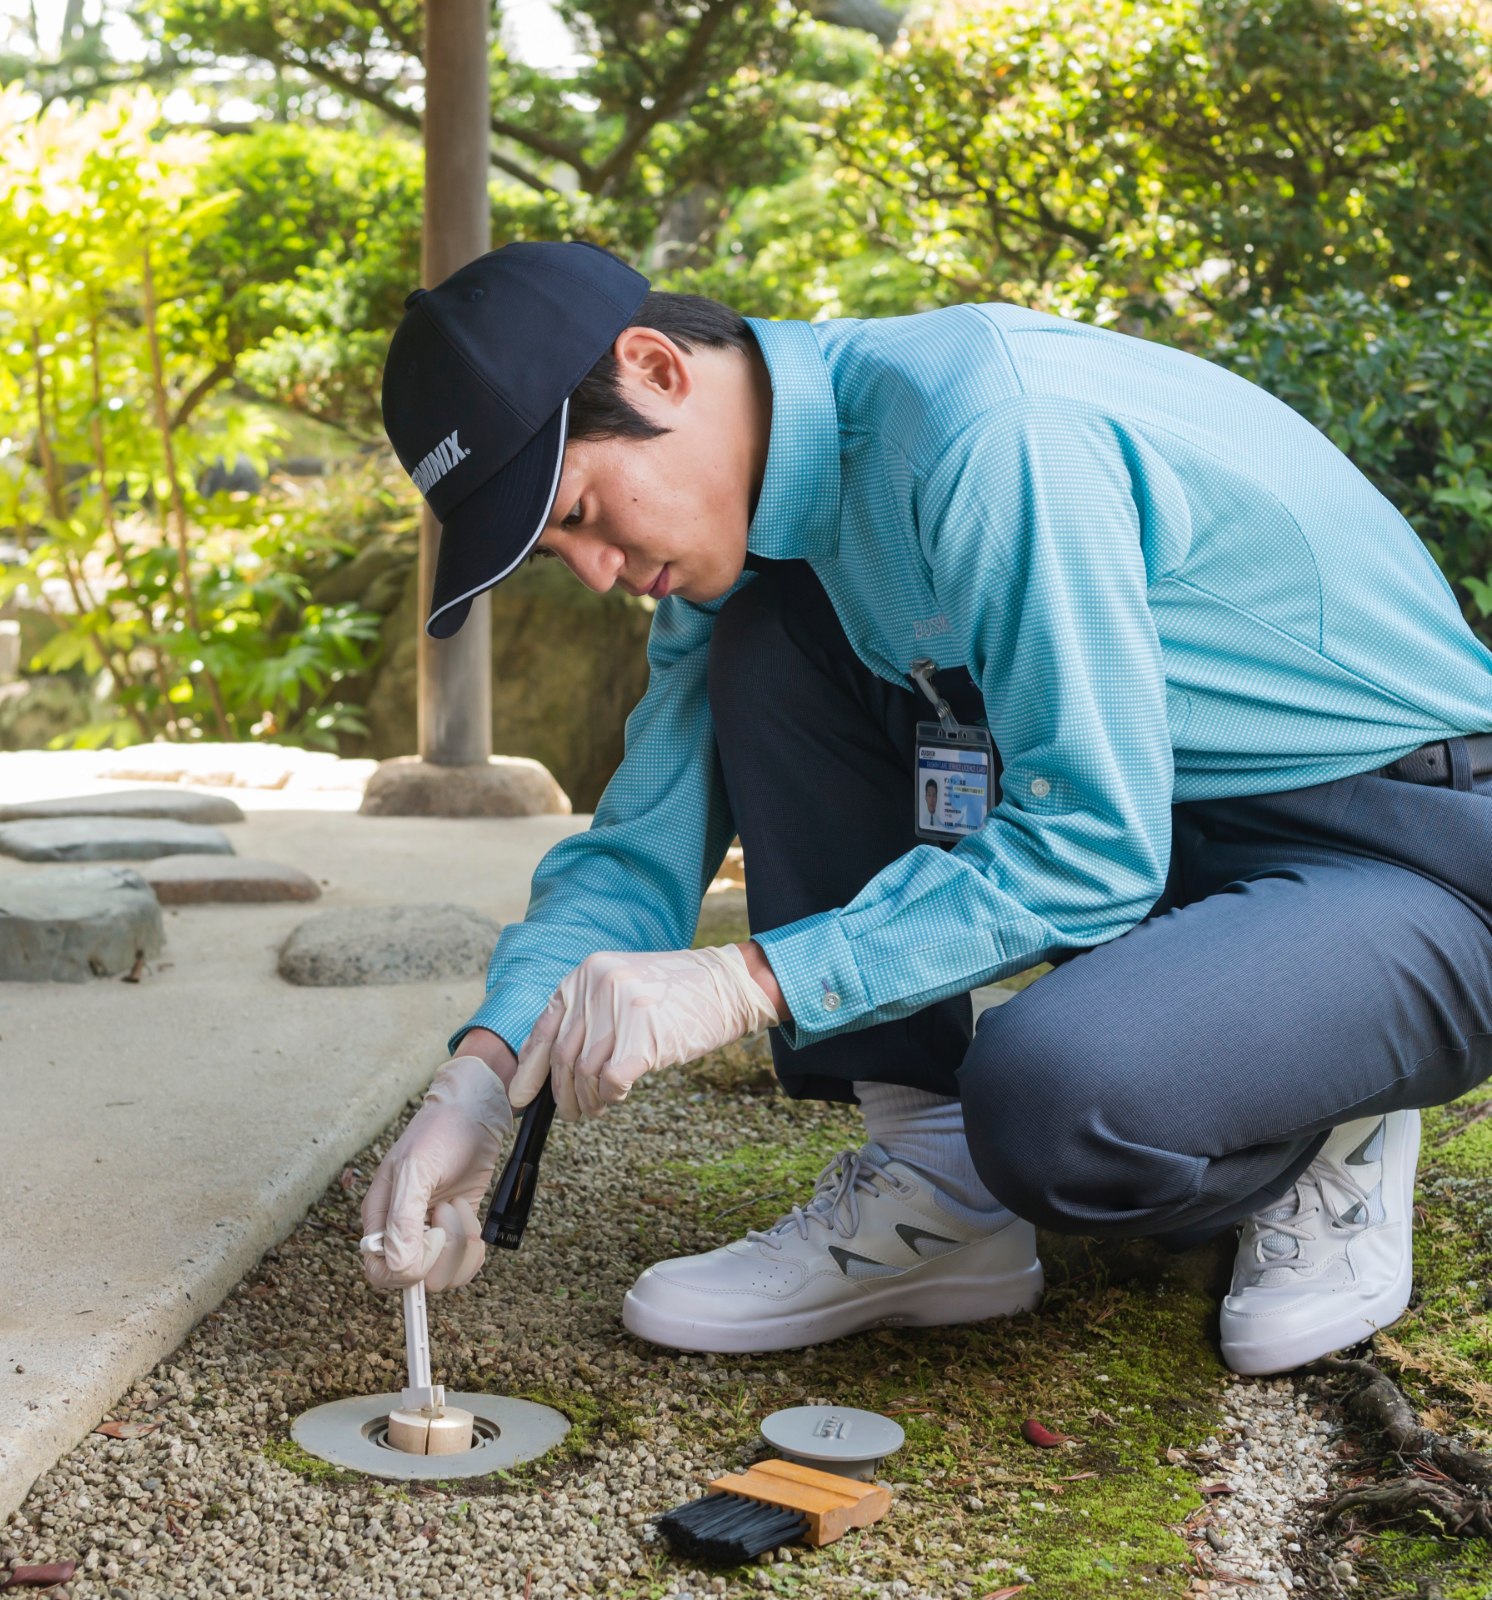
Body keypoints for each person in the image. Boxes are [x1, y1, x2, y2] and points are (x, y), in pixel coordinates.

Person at [361, 240, 1492, 1375]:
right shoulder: (752, 543)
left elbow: (1090, 847)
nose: (598, 571)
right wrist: (485, 1072)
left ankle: (1343, 1094)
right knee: (772, 636)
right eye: (560, 553)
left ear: (656, 366)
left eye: (583, 510)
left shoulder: (990, 439)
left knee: (1054, 1105)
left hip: (1404, 843)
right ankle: (937, 1184)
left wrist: (749, 978)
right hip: (1181, 842)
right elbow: (640, 845)